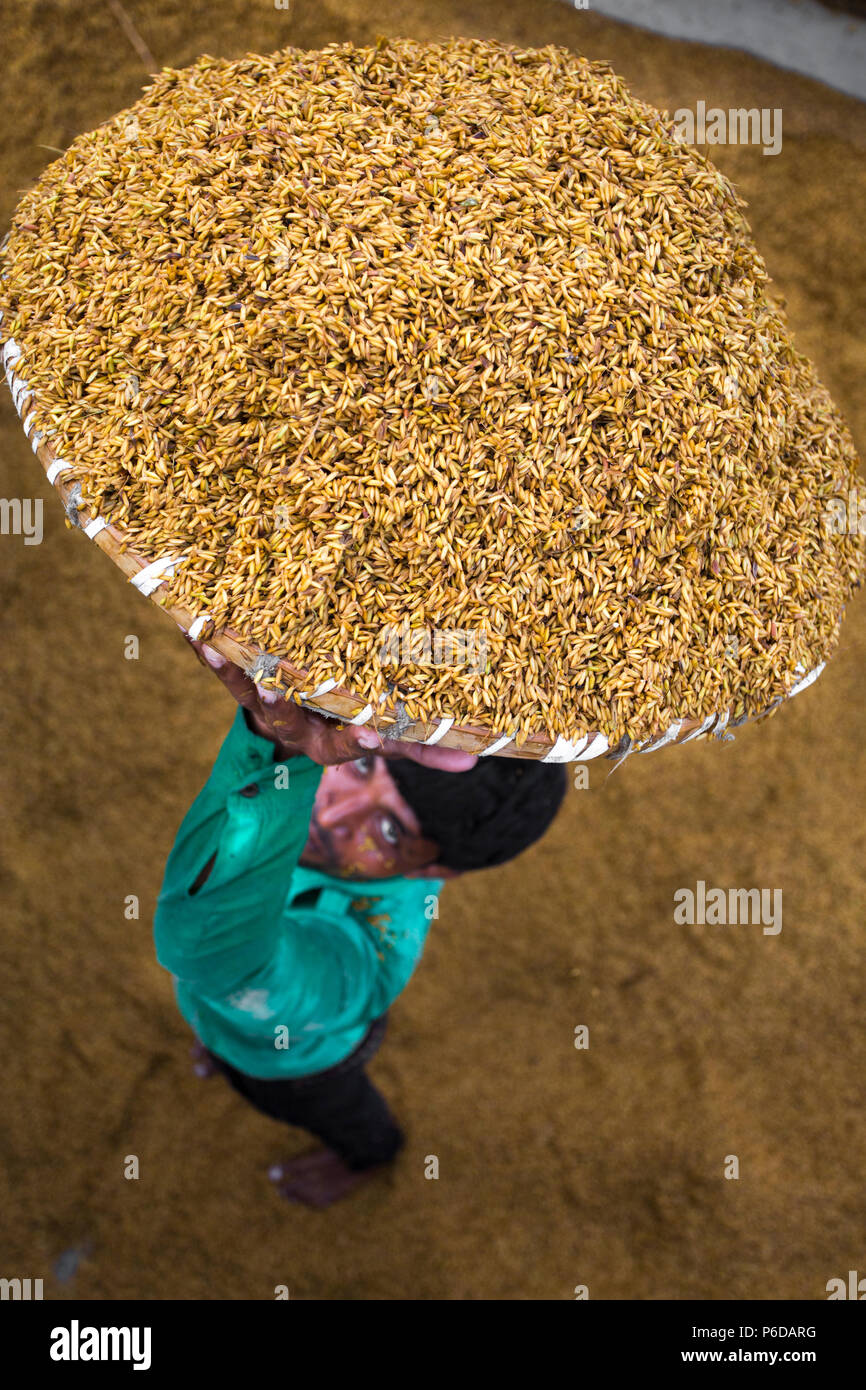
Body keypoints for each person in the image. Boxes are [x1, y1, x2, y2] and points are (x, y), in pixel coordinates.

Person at [153, 636, 567, 1207]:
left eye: (389, 830)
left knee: (335, 1111)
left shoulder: (369, 950)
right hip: (233, 1020)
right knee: (225, 1030)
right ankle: (220, 1043)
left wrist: (278, 763)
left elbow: (210, 957)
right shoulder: (316, 791)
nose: (335, 809)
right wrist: (275, 744)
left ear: (435, 871)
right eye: (364, 764)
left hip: (304, 1063)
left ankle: (368, 1158)